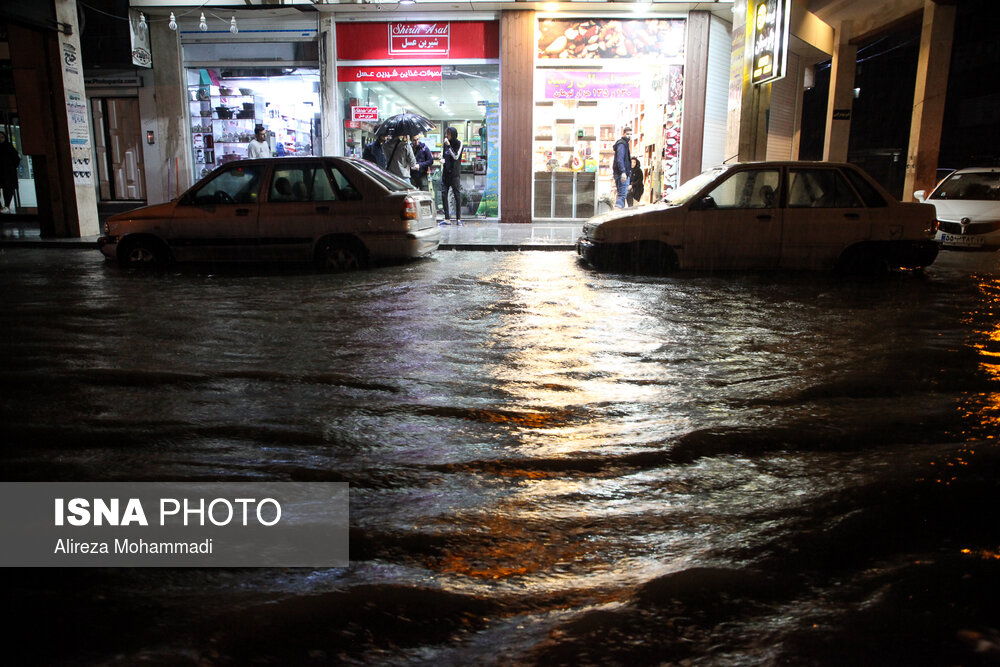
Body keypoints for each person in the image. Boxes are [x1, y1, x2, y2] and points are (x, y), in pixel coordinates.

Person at [440, 126, 463, 225]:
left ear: (453, 134)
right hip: (445, 174)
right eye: (446, 133)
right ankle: (447, 218)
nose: (446, 135)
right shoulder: (445, 144)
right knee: (444, 194)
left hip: (454, 174)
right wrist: (442, 160)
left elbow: (456, 156)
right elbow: (445, 155)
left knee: (457, 195)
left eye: (448, 133)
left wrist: (449, 146)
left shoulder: (459, 143)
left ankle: (458, 219)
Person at [0, 131, 20, 214]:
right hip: (3, 172)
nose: (0, 139)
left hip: (7, 172)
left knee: (8, 188)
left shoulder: (9, 147)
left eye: (2, 137)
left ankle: (7, 205)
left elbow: (16, 158)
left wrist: (11, 167)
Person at [612, 126, 632, 209]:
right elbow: (620, 159)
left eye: (631, 134)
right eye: (627, 134)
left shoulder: (623, 144)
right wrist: (623, 172)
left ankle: (618, 212)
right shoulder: (622, 144)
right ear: (623, 134)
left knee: (621, 194)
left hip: (621, 173)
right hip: (622, 173)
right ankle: (617, 212)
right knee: (622, 195)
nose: (629, 136)